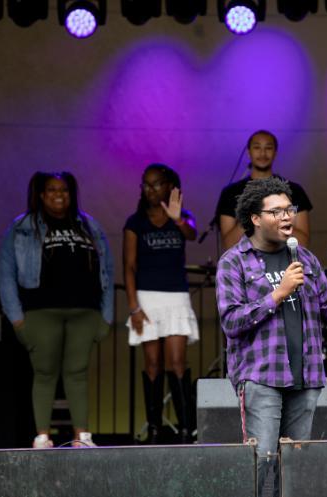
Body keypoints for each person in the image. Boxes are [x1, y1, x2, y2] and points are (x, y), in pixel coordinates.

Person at [216, 177, 327, 497]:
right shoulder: (234, 261)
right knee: (263, 460)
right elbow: (231, 321)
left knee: (293, 465)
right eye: (277, 211)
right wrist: (278, 294)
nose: (287, 217)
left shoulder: (306, 259)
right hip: (261, 377)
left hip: (306, 376)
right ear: (255, 218)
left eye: (290, 209)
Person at [0, 171, 114, 448]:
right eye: (51, 189)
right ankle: (42, 436)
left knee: (78, 372)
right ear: (40, 194)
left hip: (85, 311)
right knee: (45, 372)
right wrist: (16, 319)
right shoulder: (23, 226)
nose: (58, 194)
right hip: (40, 310)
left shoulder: (89, 225)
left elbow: (107, 269)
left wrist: (106, 316)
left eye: (63, 189)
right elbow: (5, 273)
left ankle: (81, 436)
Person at [123, 164, 199, 444]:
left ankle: (185, 428)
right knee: (152, 363)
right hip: (146, 297)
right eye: (146, 184)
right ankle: (154, 427)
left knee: (177, 362)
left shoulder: (182, 217)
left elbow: (191, 233)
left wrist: (177, 219)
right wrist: (133, 307)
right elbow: (129, 266)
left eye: (156, 184)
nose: (150, 189)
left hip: (176, 295)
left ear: (169, 186)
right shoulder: (135, 222)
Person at [215, 130, 313, 250]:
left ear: (275, 153)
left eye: (268, 148)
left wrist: (277, 216)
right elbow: (229, 245)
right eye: (257, 148)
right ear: (248, 152)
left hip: (284, 265)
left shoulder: (294, 190)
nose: (262, 153)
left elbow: (303, 242)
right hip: (245, 266)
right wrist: (252, 214)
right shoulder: (230, 193)